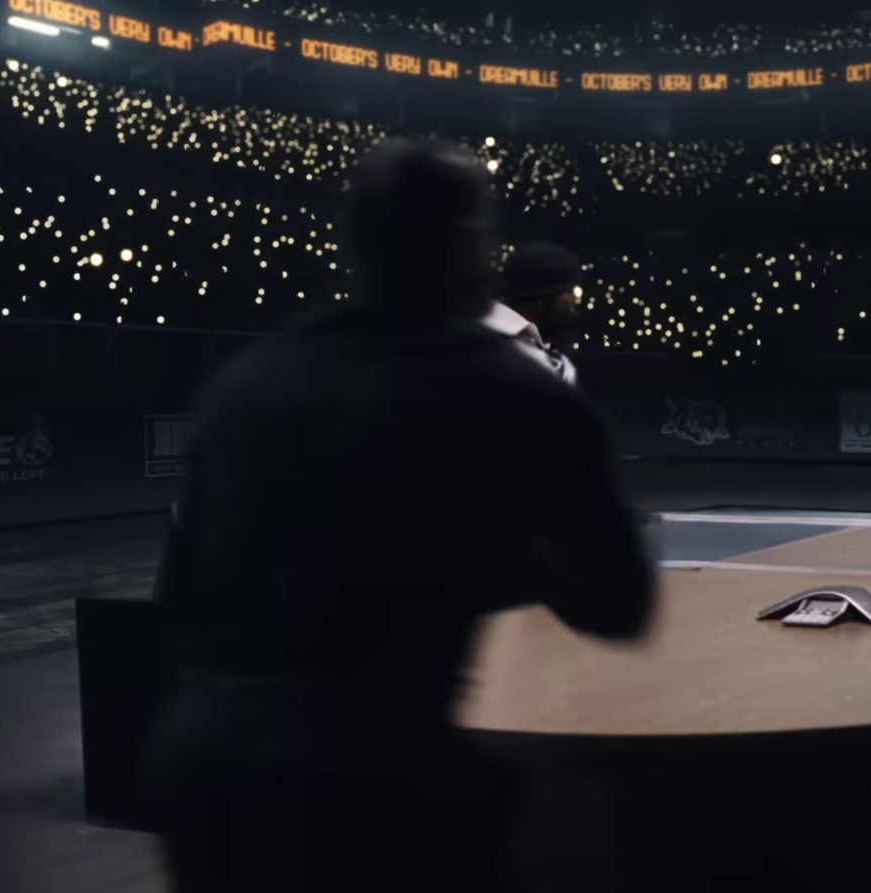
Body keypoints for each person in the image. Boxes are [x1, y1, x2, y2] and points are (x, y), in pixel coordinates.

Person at [146, 139, 654, 893]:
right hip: (372, 778)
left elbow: (177, 585)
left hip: (200, 768)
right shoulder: (519, 390)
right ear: (468, 245)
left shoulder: (246, 383)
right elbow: (617, 602)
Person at [484, 241, 585, 385]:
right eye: (571, 291)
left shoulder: (558, 359)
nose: (576, 300)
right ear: (543, 294)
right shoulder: (489, 345)